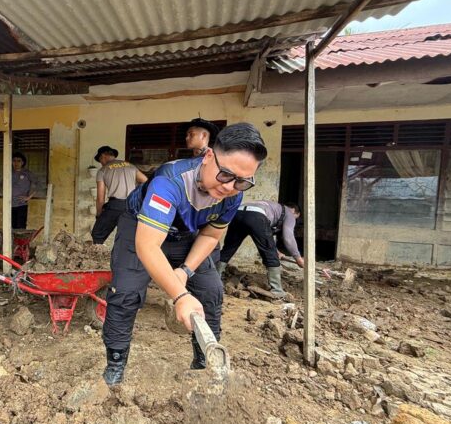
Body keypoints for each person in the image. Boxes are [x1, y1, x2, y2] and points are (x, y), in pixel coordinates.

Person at [101, 122, 267, 386]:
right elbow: (148, 246)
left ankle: (205, 361)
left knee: (211, 290)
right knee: (125, 292)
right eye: (226, 174)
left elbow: (210, 236)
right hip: (140, 229)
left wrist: (185, 270)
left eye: (242, 181)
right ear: (208, 156)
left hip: (186, 234)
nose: (230, 186)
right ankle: (115, 364)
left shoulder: (233, 194)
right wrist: (180, 295)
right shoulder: (170, 181)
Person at [217, 201, 304, 298]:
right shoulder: (290, 214)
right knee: (270, 255)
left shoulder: (272, 207)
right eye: (295, 218)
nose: (293, 222)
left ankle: (215, 280)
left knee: (228, 249)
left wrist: (277, 251)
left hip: (238, 213)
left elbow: (266, 237)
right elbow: (288, 238)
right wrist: (298, 258)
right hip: (256, 216)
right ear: (295, 212)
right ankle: (277, 290)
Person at [91, 145, 147, 244]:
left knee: (97, 234)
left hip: (115, 206)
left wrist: (99, 215)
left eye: (100, 160)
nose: (101, 163)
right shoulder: (131, 166)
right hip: (132, 206)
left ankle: (96, 253)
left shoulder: (103, 170)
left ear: (103, 156)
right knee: (127, 238)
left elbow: (100, 198)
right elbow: (146, 181)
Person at [0, 152, 34, 229]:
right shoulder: (8, 173)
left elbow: (38, 185)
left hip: (21, 205)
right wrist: (4, 195)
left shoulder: (27, 173)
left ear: (22, 162)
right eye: (14, 160)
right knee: (10, 227)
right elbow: (1, 185)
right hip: (9, 204)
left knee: (20, 227)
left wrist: (29, 197)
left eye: (18, 161)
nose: (16, 163)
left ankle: (20, 237)